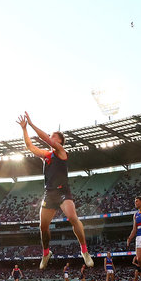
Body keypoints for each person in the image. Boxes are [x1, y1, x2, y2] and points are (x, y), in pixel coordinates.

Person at [17, 112, 93, 269]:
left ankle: (84, 251)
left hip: (63, 192)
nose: (51, 138)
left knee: (72, 217)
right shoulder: (46, 155)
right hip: (49, 193)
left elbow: (46, 139)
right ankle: (46, 253)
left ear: (59, 141)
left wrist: (31, 124)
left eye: (53, 137)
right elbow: (29, 146)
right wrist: (24, 129)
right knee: (43, 227)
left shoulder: (61, 152)